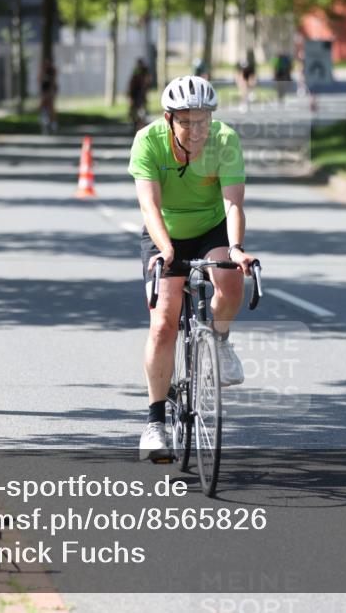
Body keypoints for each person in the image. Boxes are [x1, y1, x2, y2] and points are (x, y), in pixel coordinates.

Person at [128, 75, 257, 462]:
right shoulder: (148, 142)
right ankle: (155, 423)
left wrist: (235, 249)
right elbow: (149, 206)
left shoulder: (225, 140)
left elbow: (233, 203)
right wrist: (165, 249)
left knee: (231, 285)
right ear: (169, 119)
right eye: (187, 122)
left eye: (203, 121)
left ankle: (218, 341)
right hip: (164, 230)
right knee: (164, 321)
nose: (196, 130)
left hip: (211, 226)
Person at [127, 58, 153, 130]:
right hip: (136, 95)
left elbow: (147, 83)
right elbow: (131, 85)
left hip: (141, 96)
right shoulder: (136, 73)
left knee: (141, 112)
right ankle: (136, 124)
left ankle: (140, 125)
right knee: (135, 112)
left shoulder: (145, 72)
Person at [39, 59, 58, 134]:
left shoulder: (52, 71)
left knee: (51, 106)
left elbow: (53, 82)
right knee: (43, 105)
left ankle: (53, 124)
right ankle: (45, 121)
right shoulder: (42, 71)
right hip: (44, 90)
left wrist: (51, 92)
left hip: (50, 90)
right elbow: (39, 80)